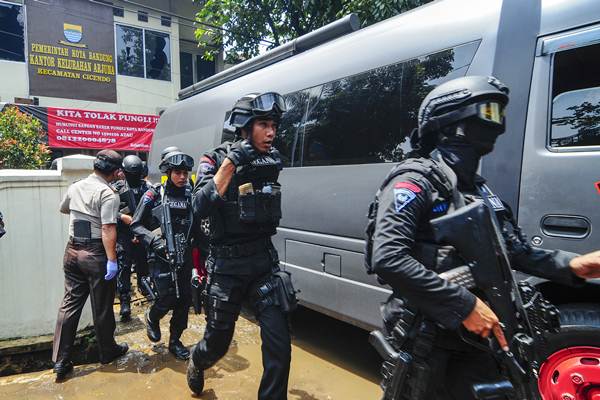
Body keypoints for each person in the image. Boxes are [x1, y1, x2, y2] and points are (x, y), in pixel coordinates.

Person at [366, 75, 600, 399]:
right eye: (487, 113)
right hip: (428, 342)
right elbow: (388, 257)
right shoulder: (415, 180)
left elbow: (513, 250)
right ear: (451, 123)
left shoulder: (479, 189)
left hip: (477, 339)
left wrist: (573, 265)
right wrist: (464, 306)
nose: (496, 123)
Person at [187, 92, 295, 400]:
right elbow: (199, 206)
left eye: (273, 124)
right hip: (226, 269)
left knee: (280, 348)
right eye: (263, 124)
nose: (271, 132)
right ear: (244, 126)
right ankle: (197, 360)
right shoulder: (215, 158)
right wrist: (233, 161)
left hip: (263, 263)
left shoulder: (271, 156)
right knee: (217, 344)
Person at [53, 150, 129, 380]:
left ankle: (61, 361)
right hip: (96, 254)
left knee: (69, 305)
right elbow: (107, 229)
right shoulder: (108, 194)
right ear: (116, 172)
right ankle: (107, 351)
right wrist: (112, 261)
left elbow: (63, 208)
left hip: (72, 251)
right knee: (103, 306)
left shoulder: (76, 186)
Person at [130, 150, 195, 360]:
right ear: (168, 172)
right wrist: (155, 241)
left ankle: (175, 341)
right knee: (166, 297)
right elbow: (136, 224)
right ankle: (152, 316)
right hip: (160, 256)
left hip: (183, 255)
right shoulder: (154, 193)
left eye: (185, 172)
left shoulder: (189, 194)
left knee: (184, 299)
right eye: (178, 172)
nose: (183, 177)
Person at [111, 155, 151, 321]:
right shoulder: (116, 188)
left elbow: (152, 211)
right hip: (124, 235)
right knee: (124, 267)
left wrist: (141, 230)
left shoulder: (146, 188)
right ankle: (125, 301)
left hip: (142, 233)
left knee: (144, 265)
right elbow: (109, 211)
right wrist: (122, 217)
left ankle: (146, 289)